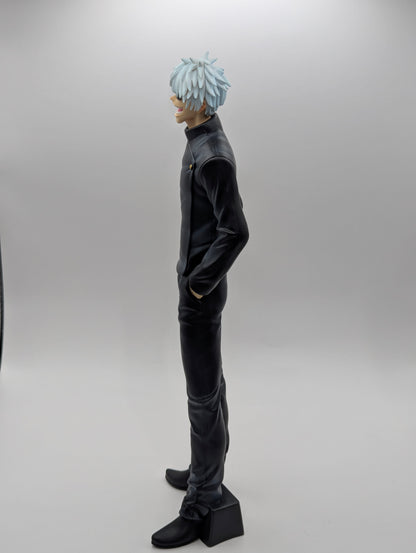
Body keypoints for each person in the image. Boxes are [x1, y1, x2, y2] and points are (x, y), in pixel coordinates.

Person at [151, 52, 249, 549]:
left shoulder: (212, 156)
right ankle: (204, 468)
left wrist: (197, 283)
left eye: (181, 93)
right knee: (210, 387)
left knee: (202, 398)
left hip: (200, 296)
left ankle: (203, 499)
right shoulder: (199, 141)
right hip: (198, 290)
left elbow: (236, 231)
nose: (173, 98)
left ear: (202, 101)